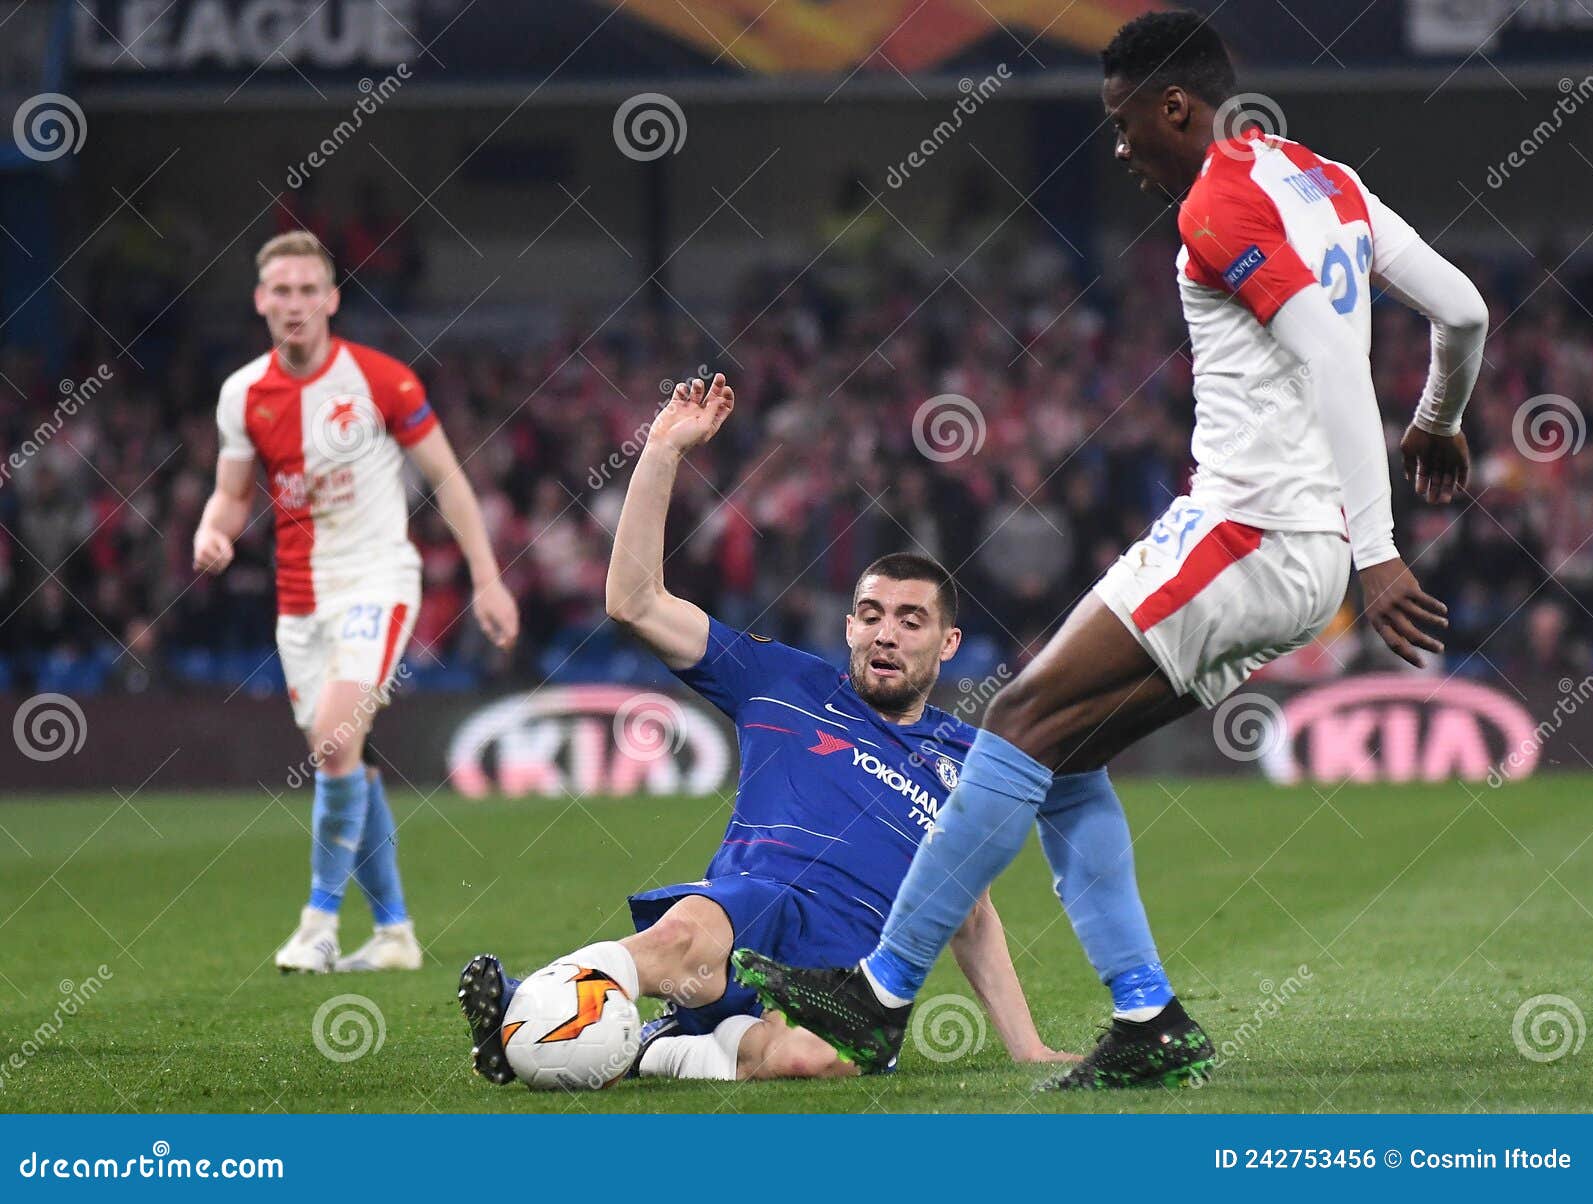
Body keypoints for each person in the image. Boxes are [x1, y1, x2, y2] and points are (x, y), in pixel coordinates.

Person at [732, 8, 1488, 1089]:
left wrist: (1379, 550)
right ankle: (1148, 1018)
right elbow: (1460, 309)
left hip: (1247, 530)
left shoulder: (1219, 200)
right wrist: (1435, 418)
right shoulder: (1325, 180)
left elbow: (1327, 357)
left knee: (1015, 718)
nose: (1121, 149)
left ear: (1175, 107)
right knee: (1061, 753)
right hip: (1290, 547)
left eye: (1126, 125)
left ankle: (875, 995)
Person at [458, 374, 1072, 1083]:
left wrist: (1027, 1048)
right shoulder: (782, 680)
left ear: (948, 644)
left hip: (843, 963)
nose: (887, 634)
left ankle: (650, 1051)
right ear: (849, 627)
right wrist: (661, 450)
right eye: (871, 615)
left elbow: (972, 915)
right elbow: (633, 602)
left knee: (814, 1060)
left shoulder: (967, 761)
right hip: (748, 907)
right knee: (683, 938)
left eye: (911, 621)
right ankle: (522, 1011)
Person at [193, 231, 519, 973]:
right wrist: (213, 533)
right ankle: (397, 933)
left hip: (376, 579)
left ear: (332, 299)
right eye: (282, 291)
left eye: (310, 290)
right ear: (260, 301)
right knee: (348, 762)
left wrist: (487, 576)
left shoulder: (382, 381)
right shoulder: (243, 394)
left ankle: (317, 924)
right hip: (299, 602)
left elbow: (448, 478)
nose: (296, 304)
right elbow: (232, 494)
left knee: (336, 743)